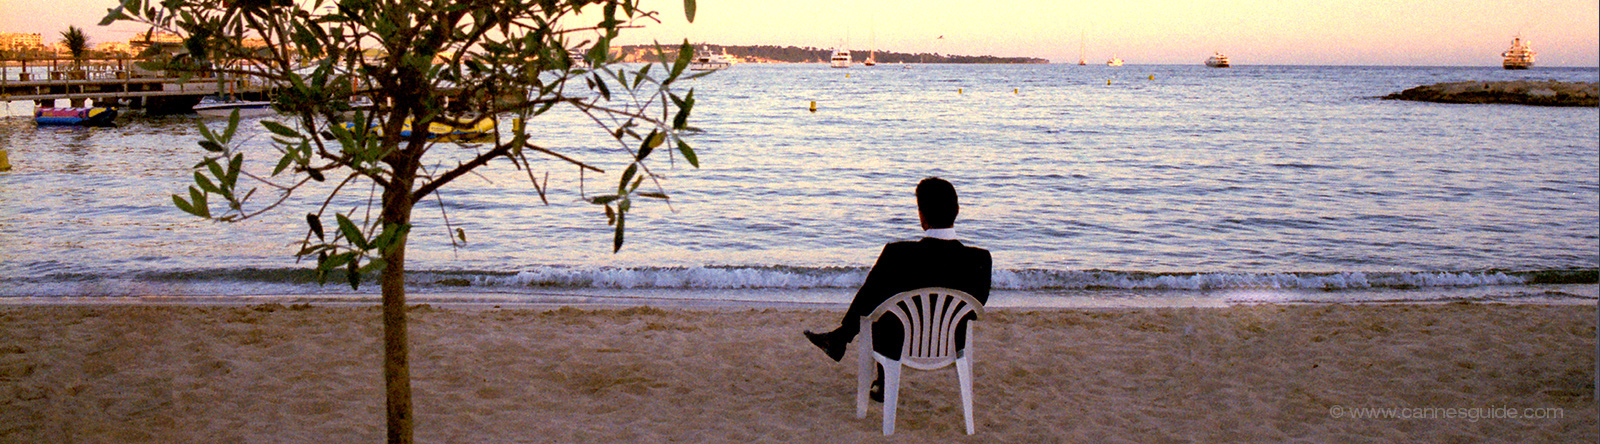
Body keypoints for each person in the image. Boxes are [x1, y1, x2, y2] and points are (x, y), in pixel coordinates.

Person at [804, 177, 992, 400]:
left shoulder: (898, 253)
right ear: (957, 211)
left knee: (883, 306)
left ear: (922, 216)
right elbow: (977, 303)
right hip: (952, 344)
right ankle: (845, 343)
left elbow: (869, 298)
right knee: (891, 305)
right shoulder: (980, 259)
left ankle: (844, 339)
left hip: (897, 346)